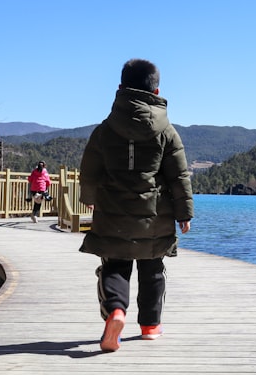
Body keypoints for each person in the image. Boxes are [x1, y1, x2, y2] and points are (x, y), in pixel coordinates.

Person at [78, 58, 194, 352]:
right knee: (153, 267)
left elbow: (90, 168)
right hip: (154, 214)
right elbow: (178, 175)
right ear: (157, 92)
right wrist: (184, 213)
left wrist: (89, 199)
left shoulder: (105, 129)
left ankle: (116, 312)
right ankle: (150, 327)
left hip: (112, 210)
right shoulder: (166, 131)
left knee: (115, 265)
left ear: (120, 88)